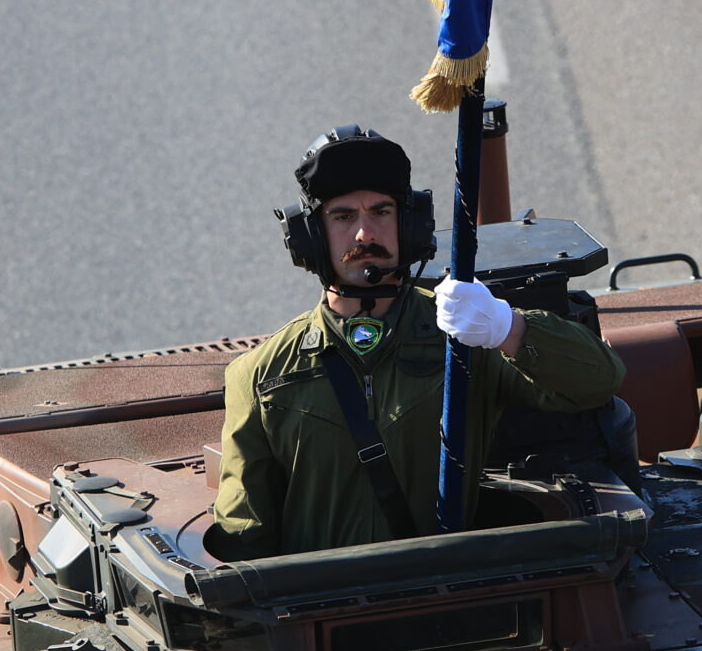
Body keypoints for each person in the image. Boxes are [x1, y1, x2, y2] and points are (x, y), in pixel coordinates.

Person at [210, 126, 626, 557]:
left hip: (444, 585)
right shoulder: (261, 375)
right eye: (343, 217)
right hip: (328, 593)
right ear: (309, 237)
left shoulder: (466, 338)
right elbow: (244, 535)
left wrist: (510, 328)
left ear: (410, 225)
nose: (364, 234)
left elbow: (599, 381)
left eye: (381, 212)